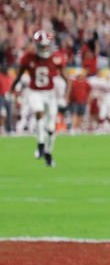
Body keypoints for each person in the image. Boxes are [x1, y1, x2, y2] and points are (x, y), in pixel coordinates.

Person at [14, 30, 67, 166]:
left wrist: (65, 97)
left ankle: (48, 153)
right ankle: (40, 144)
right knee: (38, 112)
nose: (44, 48)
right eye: (42, 46)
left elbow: (67, 78)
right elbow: (19, 75)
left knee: (51, 127)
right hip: (34, 92)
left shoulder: (56, 57)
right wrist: (12, 89)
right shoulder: (28, 57)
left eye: (46, 46)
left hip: (50, 94)